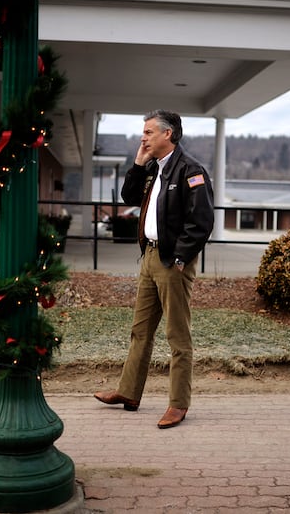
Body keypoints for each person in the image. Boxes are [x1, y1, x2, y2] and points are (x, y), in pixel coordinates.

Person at [94, 109, 215, 429]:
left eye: (148, 132)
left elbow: (201, 222)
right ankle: (128, 393)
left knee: (177, 335)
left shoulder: (191, 170)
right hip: (149, 257)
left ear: (168, 135)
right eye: (143, 132)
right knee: (140, 330)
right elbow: (129, 196)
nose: (143, 136)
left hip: (172, 263)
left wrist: (180, 258)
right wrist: (137, 162)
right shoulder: (153, 168)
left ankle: (178, 404)